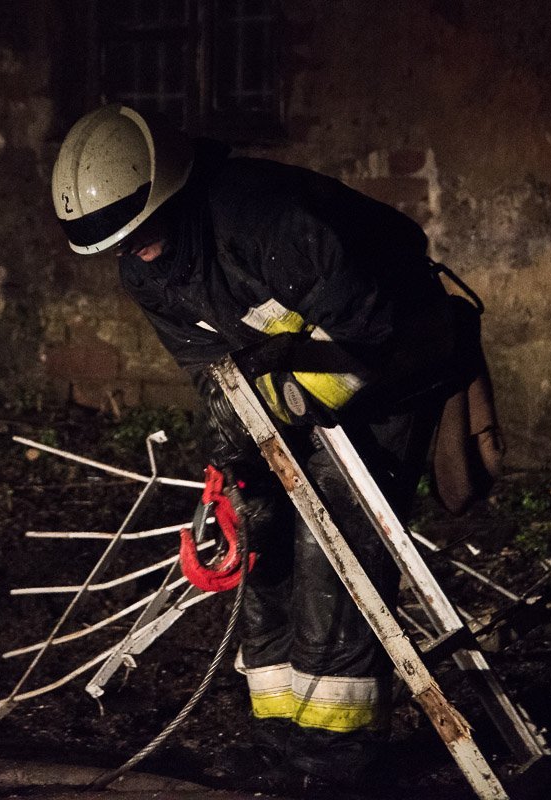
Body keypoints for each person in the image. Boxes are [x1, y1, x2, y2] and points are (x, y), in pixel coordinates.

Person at [50, 104, 458, 791]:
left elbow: (367, 326)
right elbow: (208, 371)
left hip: (391, 364)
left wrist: (280, 406)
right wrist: (237, 461)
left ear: (172, 194)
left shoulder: (267, 217)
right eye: (118, 244)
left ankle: (336, 758)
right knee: (261, 541)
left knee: (333, 547)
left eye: (140, 232)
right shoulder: (149, 270)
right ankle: (278, 740)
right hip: (288, 384)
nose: (133, 252)